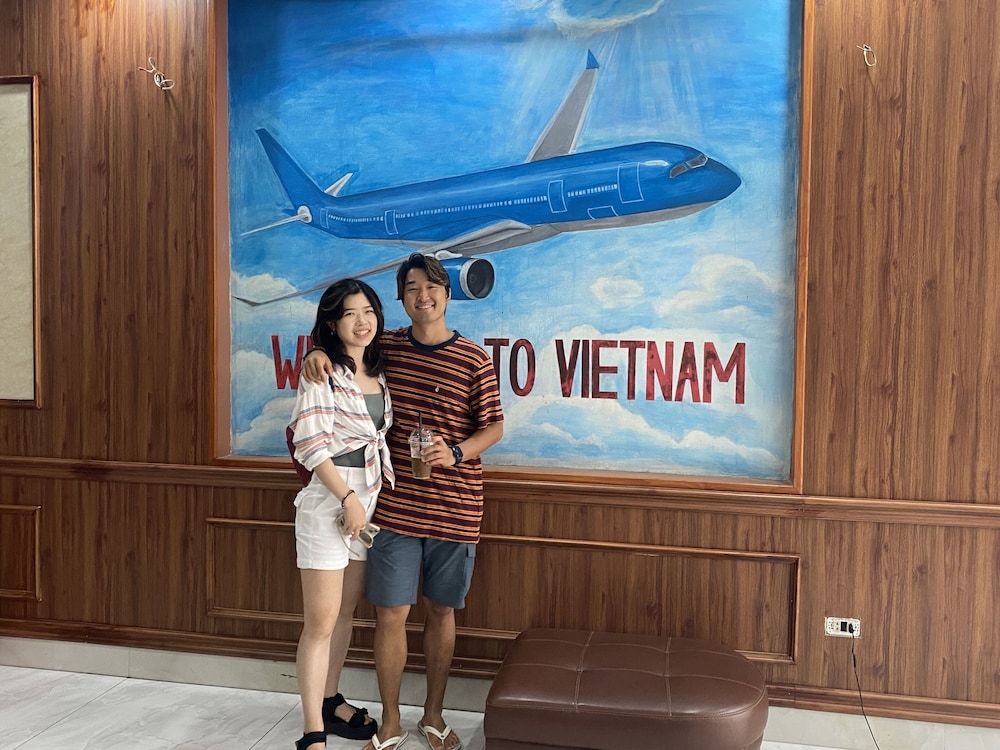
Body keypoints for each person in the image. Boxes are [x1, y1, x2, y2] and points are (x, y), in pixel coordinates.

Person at [303, 253, 504, 750]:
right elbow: (343, 345)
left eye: (432, 287)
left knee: (441, 611)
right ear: (400, 298)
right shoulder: (385, 348)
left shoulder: (474, 358)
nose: (423, 296)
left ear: (448, 294)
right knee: (389, 614)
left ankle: (432, 716)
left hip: (456, 508)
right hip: (391, 506)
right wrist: (315, 352)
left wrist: (456, 452)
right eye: (412, 288)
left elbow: (495, 426)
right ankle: (390, 720)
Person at [289, 278, 395, 750]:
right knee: (321, 621)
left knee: (346, 613)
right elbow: (310, 445)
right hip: (331, 499)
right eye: (350, 313)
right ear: (332, 323)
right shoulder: (322, 371)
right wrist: (348, 500)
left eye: (368, 310)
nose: (361, 321)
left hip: (366, 499)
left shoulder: (378, 370)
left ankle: (330, 701)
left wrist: (361, 502)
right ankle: (312, 731)